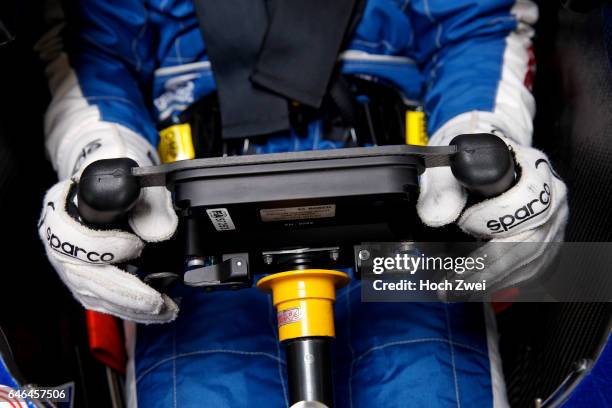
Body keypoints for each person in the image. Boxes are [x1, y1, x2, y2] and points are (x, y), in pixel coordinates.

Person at [36, 0, 568, 406]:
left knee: (426, 382)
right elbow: (95, 49)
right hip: (194, 227)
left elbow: (475, 23)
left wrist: (488, 148)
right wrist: (102, 170)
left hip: (411, 210)